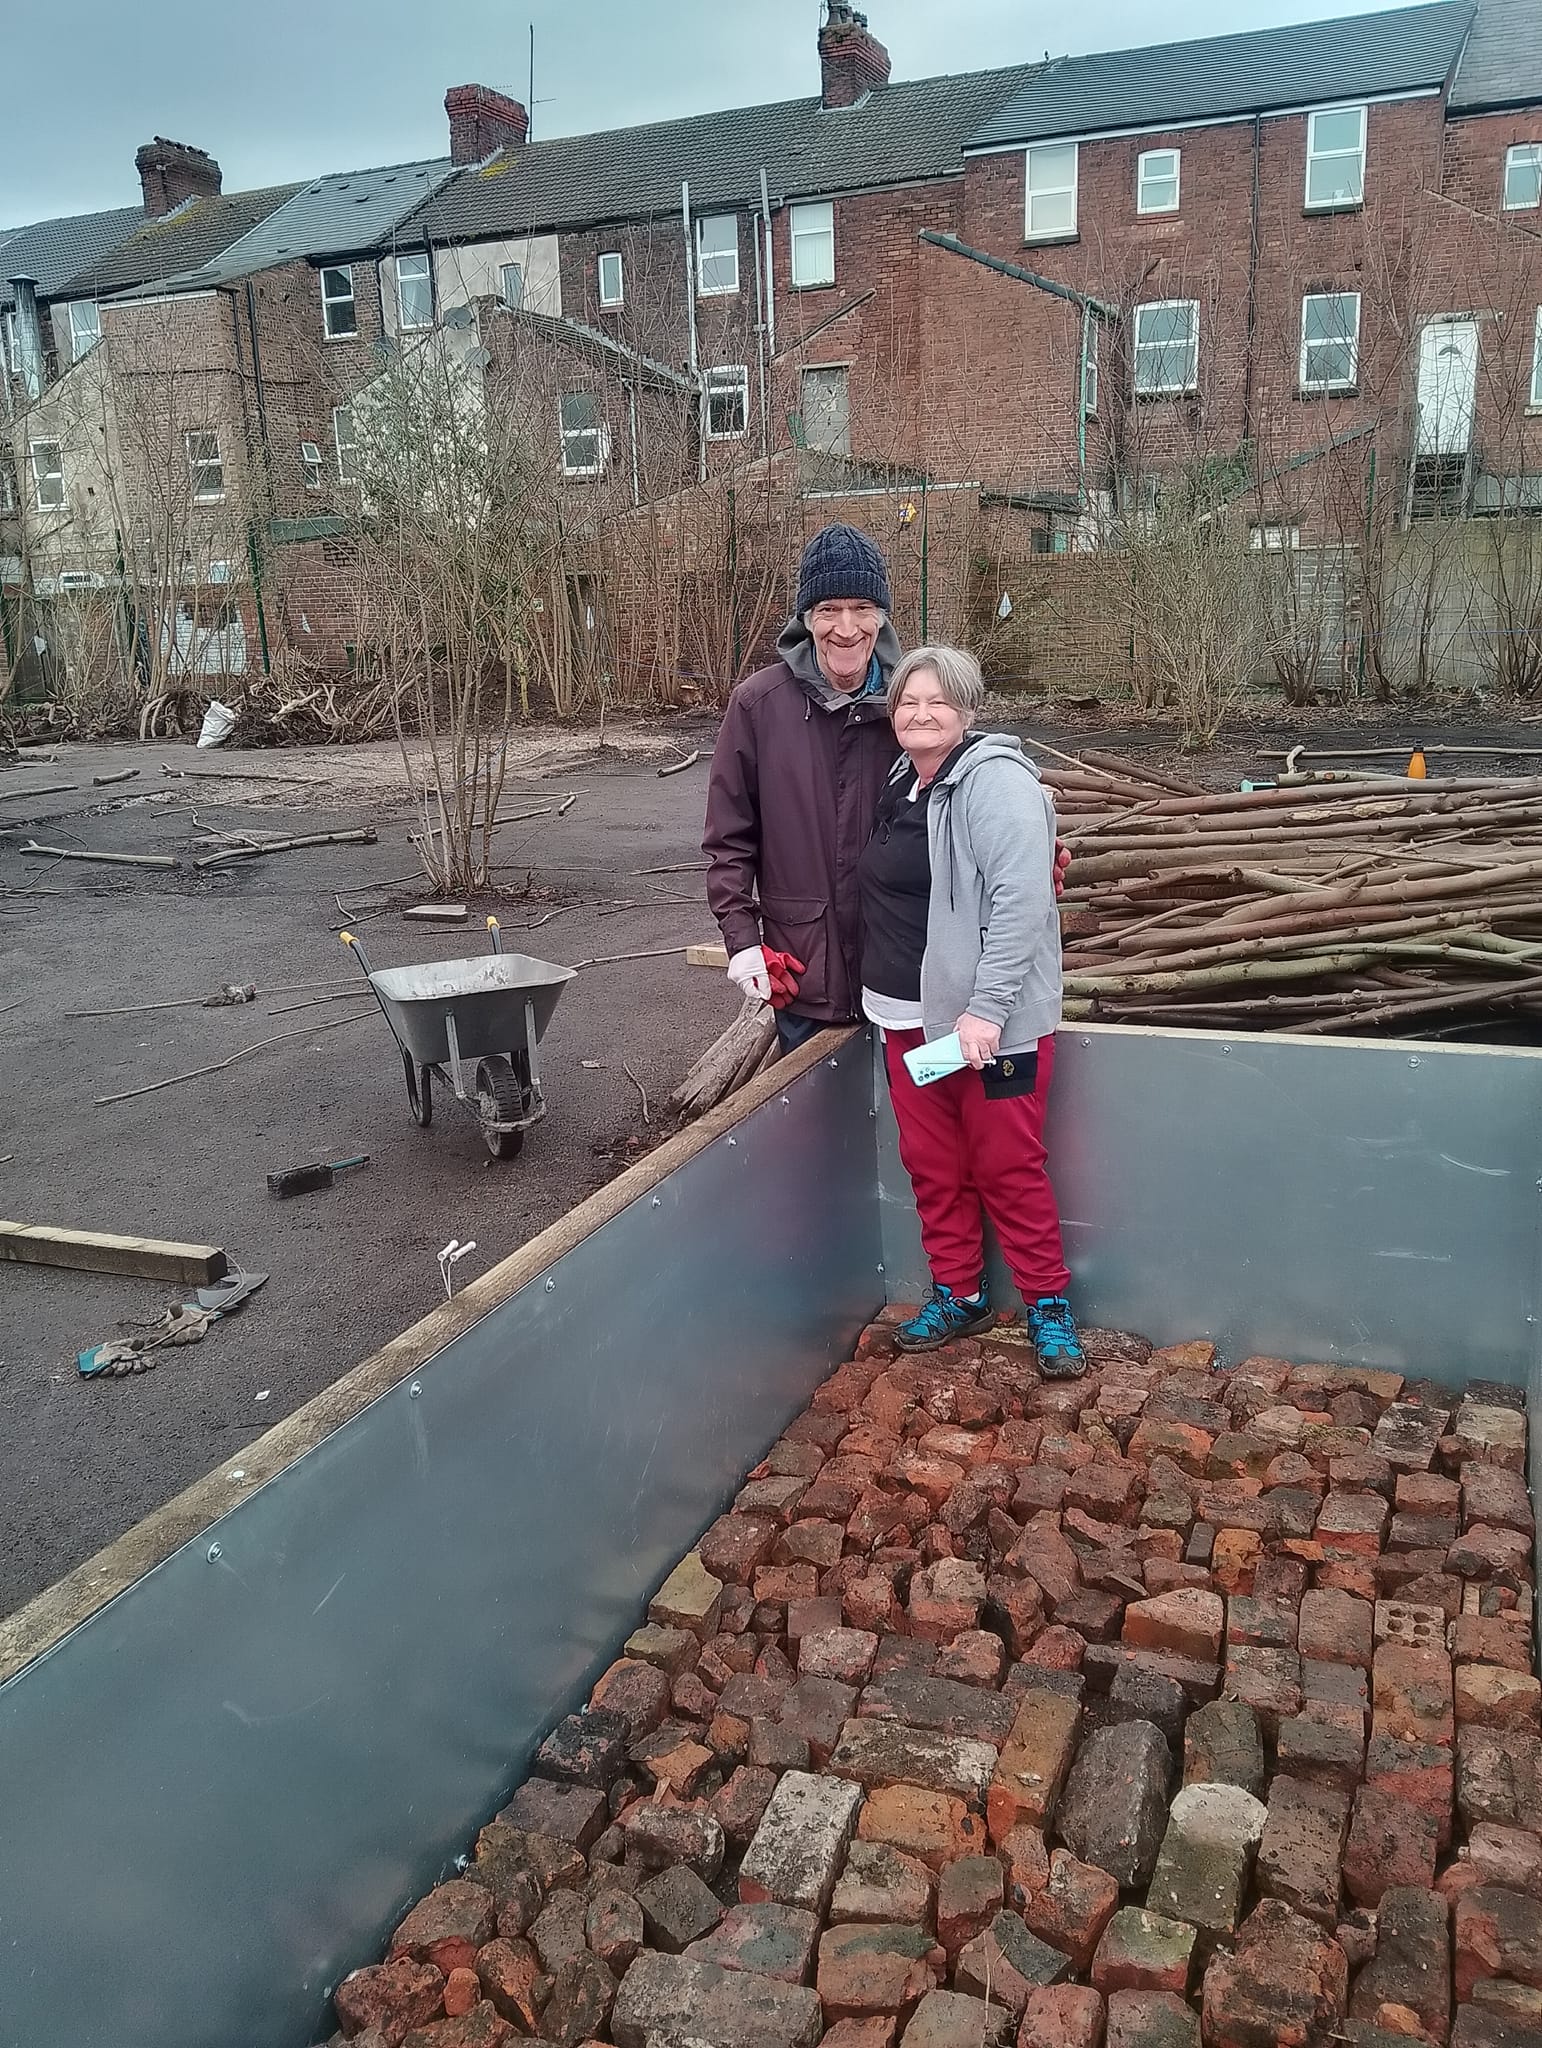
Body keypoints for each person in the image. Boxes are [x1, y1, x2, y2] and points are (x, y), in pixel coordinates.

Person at [857, 643, 1084, 1377]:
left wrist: (986, 1009)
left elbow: (1022, 903)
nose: (921, 715)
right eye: (908, 702)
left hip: (989, 1029)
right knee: (933, 1163)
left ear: (967, 710)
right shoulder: (906, 781)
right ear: (893, 715)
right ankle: (960, 1292)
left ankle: (1048, 1305)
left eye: (938, 702)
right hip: (906, 1020)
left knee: (1008, 1164)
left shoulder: (995, 784)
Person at [703, 523, 902, 1051]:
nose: (846, 627)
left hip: (905, 974)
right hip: (804, 970)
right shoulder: (758, 705)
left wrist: (1027, 846)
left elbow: (962, 804)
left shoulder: (915, 706)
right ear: (806, 618)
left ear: (881, 616)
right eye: (828, 610)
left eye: (862, 608)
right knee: (816, 1126)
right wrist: (743, 942)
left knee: (907, 1128)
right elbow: (728, 840)